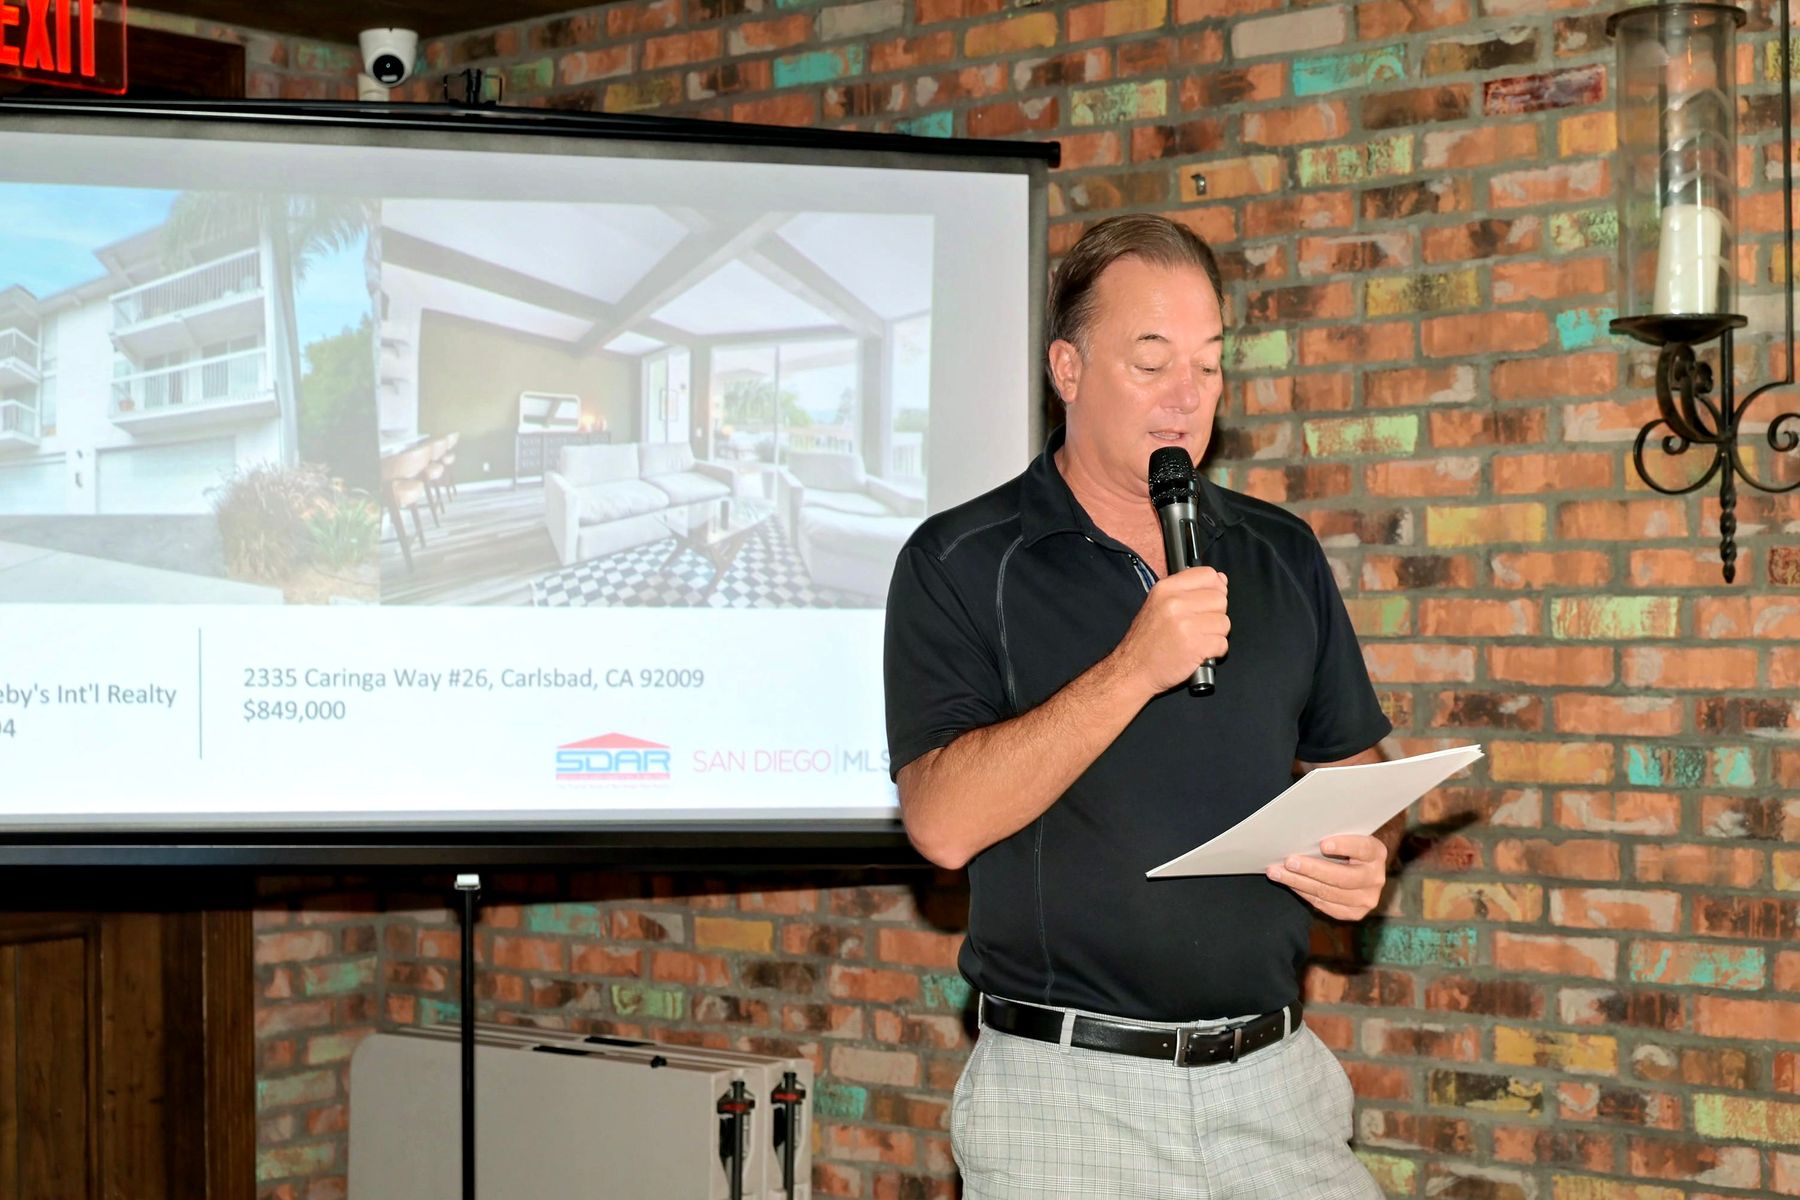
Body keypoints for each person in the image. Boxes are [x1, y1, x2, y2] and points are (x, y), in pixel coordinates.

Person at [883, 213, 1392, 1199]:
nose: (1186, 396)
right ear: (1067, 369)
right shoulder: (963, 560)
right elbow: (942, 823)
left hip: (1276, 1084)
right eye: (1151, 361)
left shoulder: (1280, 552)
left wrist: (1364, 853)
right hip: (1069, 1100)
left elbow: (1356, 773)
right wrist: (1134, 667)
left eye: (1207, 364)